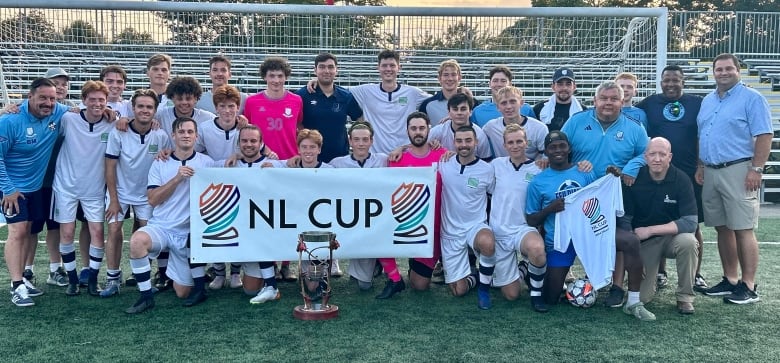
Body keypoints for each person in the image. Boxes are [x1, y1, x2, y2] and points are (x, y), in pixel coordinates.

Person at [560, 81, 649, 310]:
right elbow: (560, 148)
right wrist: (573, 165)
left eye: (613, 99)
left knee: (616, 238)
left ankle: (616, 287)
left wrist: (630, 168)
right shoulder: (577, 121)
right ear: (595, 101)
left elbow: (645, 153)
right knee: (576, 235)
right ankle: (565, 276)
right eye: (604, 98)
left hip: (615, 194)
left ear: (622, 102)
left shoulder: (634, 127)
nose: (608, 103)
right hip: (581, 194)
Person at [695, 53, 773, 304]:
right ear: (713, 72)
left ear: (738, 71)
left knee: (742, 227)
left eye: (729, 68)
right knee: (721, 227)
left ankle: (748, 285)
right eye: (718, 69)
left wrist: (756, 169)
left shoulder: (752, 98)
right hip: (711, 169)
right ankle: (730, 279)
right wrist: (700, 164)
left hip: (739, 169)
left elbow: (764, 134)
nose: (723, 73)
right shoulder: (708, 100)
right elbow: (702, 136)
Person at [125, 117, 215, 314]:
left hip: (188, 233)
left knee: (183, 292)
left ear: (196, 136)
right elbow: (152, 199)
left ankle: (184, 278)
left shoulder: (206, 162)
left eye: (190, 132)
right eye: (181, 131)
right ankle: (146, 297)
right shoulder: (160, 162)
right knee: (137, 241)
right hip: (162, 227)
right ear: (173, 135)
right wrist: (177, 179)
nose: (186, 135)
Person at [637, 65, 707, 292]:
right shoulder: (650, 103)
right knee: (659, 218)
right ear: (660, 81)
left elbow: (702, 135)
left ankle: (695, 275)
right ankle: (660, 272)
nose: (670, 84)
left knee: (692, 225)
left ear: (683, 81)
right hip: (657, 173)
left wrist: (700, 165)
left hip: (688, 173)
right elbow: (628, 114)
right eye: (666, 80)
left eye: (675, 80)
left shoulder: (697, 103)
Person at [0, 78, 69, 306]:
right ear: (29, 97)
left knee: (29, 231)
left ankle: (23, 279)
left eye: (52, 98)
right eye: (42, 98)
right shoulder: (10, 120)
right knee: (18, 231)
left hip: (36, 188)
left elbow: (82, 111)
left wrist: (112, 114)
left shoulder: (57, 112)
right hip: (11, 188)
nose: (48, 103)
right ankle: (16, 285)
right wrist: (8, 190)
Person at [102, 89, 171, 297]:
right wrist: (113, 199)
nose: (144, 110)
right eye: (140, 106)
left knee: (146, 233)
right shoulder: (118, 132)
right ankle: (113, 278)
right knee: (114, 230)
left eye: (149, 107)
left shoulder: (160, 135)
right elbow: (110, 166)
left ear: (155, 110)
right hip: (120, 192)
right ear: (133, 108)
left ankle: (140, 274)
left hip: (146, 194)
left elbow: (166, 163)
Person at [620, 137, 698, 314]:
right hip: (645, 243)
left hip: (672, 238)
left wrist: (650, 230)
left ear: (670, 157)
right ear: (645, 156)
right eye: (652, 154)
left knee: (688, 241)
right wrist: (633, 254)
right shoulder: (634, 179)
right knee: (641, 298)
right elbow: (626, 219)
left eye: (662, 154)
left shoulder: (681, 179)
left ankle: (685, 297)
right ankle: (651, 279)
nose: (657, 159)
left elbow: (691, 222)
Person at [54, 80, 115, 296]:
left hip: (95, 189)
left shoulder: (112, 122)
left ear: (107, 102)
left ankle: (92, 280)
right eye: (92, 99)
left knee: (97, 233)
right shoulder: (69, 118)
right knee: (67, 232)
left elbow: (127, 122)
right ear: (83, 101)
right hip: (66, 186)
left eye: (101, 100)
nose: (97, 104)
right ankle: (72, 279)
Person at [309, 49, 430, 154]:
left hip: (404, 153)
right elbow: (332, 89)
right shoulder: (366, 91)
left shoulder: (412, 93)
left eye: (392, 65)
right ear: (378, 67)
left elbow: (437, 101)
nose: (388, 69)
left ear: (399, 67)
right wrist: (317, 82)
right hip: (375, 157)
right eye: (384, 65)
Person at [381, 112, 448, 294]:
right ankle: (394, 273)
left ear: (429, 130)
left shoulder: (443, 156)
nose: (418, 132)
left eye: (421, 128)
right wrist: (402, 148)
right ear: (407, 131)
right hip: (406, 226)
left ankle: (420, 264)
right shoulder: (397, 159)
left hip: (434, 230)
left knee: (419, 285)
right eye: (413, 128)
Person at [489, 124, 548, 312]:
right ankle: (523, 268)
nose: (515, 146)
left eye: (519, 141)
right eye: (511, 142)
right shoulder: (496, 165)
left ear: (526, 142)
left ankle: (536, 296)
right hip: (499, 232)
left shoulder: (538, 168)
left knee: (537, 250)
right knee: (511, 295)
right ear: (505, 145)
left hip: (523, 228)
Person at [222, 125, 281, 305]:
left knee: (260, 226)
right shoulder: (229, 164)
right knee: (250, 290)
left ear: (262, 143)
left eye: (253, 141)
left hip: (265, 229)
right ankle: (220, 273)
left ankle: (271, 284)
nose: (249, 144)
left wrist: (278, 170)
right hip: (238, 230)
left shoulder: (273, 164)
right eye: (245, 141)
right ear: (238, 144)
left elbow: (297, 164)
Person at [439, 125, 497, 309]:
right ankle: (475, 275)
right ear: (454, 142)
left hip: (475, 226)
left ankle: (484, 288)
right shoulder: (443, 163)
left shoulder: (487, 170)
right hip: (450, 232)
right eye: (459, 141)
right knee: (458, 291)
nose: (464, 145)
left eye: (468, 140)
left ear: (476, 142)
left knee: (487, 242)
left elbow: (494, 197)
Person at [330, 122, 388, 293]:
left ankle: (371, 265)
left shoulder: (384, 160)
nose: (361, 143)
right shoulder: (337, 163)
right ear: (350, 141)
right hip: (345, 219)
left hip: (371, 220)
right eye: (356, 139)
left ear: (372, 141)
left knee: (364, 285)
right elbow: (313, 172)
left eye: (365, 139)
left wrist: (402, 148)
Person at [296, 52, 363, 163]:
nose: (326, 71)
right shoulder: (302, 95)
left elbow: (359, 119)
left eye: (330, 67)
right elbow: (295, 123)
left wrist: (354, 139)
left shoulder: (346, 96)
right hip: (310, 159)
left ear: (336, 70)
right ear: (315, 70)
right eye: (322, 67)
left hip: (339, 157)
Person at [244, 56, 303, 161]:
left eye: (280, 76)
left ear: (286, 77)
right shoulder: (251, 101)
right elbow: (247, 129)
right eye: (272, 76)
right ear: (265, 77)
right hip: (260, 160)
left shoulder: (296, 100)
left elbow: (298, 126)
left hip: (290, 160)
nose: (276, 80)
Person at [482, 86, 547, 160]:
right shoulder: (491, 127)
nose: (508, 106)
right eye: (504, 103)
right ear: (497, 107)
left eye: (513, 102)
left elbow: (545, 156)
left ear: (521, 103)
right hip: (502, 169)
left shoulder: (539, 128)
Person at [428, 93, 491, 159]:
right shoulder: (438, 131)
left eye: (463, 109)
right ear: (449, 112)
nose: (459, 113)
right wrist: (430, 146)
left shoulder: (480, 135)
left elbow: (486, 161)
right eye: (455, 109)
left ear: (470, 112)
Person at [470, 65, 535, 126]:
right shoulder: (478, 111)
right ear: (489, 84)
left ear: (510, 84)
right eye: (495, 81)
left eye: (503, 81)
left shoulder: (526, 109)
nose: (499, 84)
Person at [533, 67, 584, 131]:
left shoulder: (583, 111)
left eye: (568, 84)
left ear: (574, 87)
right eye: (560, 84)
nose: (564, 88)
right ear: (553, 87)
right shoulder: (539, 109)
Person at [419, 59, 468, 123]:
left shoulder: (470, 102)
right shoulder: (427, 104)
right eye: (446, 75)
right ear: (439, 78)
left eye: (453, 75)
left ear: (459, 78)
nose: (450, 79)